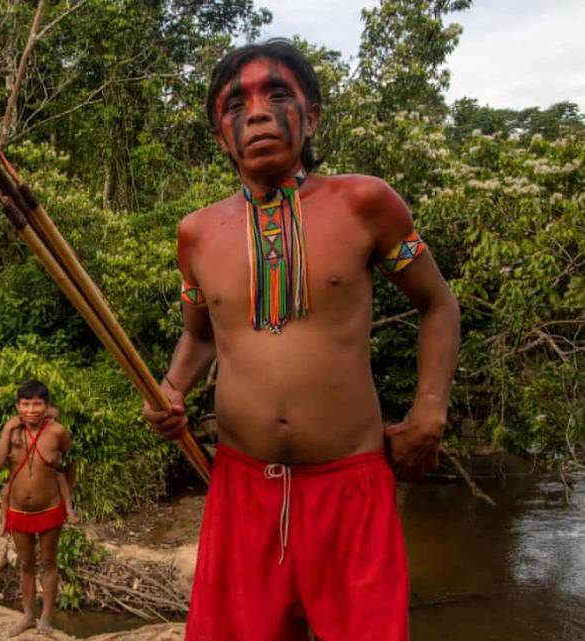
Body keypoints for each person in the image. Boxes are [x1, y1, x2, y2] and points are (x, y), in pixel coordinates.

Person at [142, 39, 460, 641]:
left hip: (351, 488)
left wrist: (429, 410)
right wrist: (171, 388)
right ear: (219, 133)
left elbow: (438, 303)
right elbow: (200, 337)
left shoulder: (365, 203)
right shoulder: (196, 235)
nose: (257, 112)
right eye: (236, 103)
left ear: (311, 113)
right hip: (241, 489)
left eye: (277, 94)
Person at [0, 380, 74, 636]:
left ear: (46, 406)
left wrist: (67, 502)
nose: (31, 410)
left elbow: (69, 464)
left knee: (49, 562)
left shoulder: (58, 432)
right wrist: (6, 430)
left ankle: (46, 619)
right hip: (18, 511)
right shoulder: (13, 433)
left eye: (37, 404)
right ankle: (28, 615)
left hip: (49, 509)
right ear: (17, 406)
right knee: (25, 564)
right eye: (25, 404)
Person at [0, 404, 78, 531]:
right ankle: (3, 522)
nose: (51, 421)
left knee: (61, 478)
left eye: (54, 419)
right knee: (5, 493)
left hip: (50, 476)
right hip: (20, 477)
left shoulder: (55, 434)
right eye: (49, 417)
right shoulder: (20, 431)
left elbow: (64, 459)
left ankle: (69, 510)